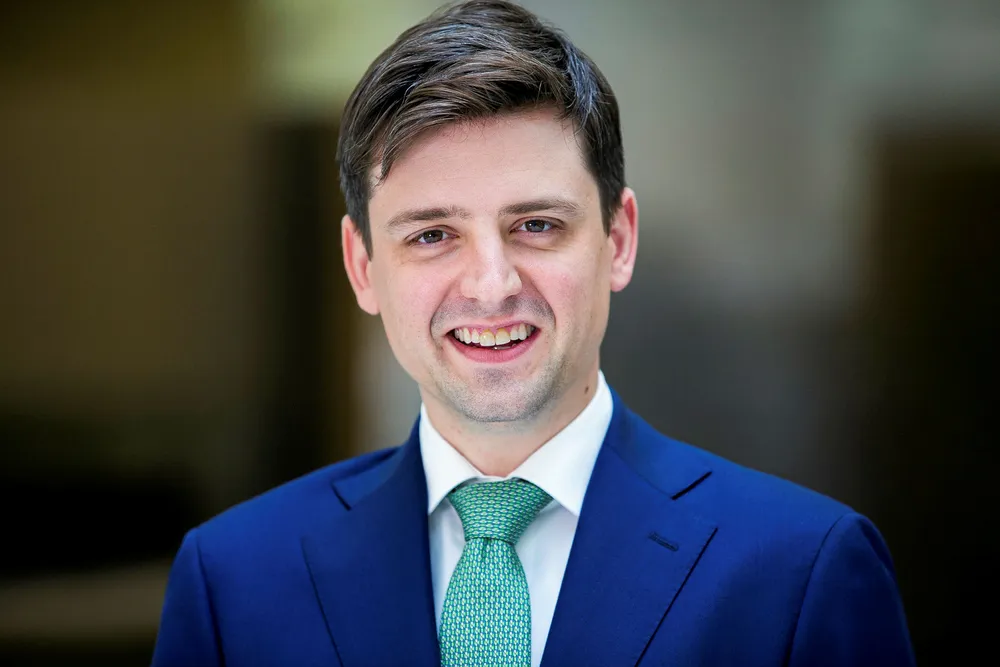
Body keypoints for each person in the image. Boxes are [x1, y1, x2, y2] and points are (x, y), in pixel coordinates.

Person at [151, 1, 915, 665]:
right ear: (362, 267)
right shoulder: (233, 581)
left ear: (619, 240)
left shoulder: (801, 572)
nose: (491, 284)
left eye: (537, 225)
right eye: (432, 235)